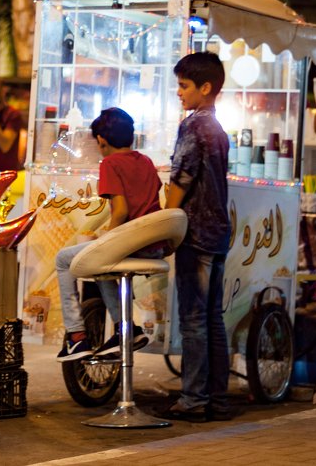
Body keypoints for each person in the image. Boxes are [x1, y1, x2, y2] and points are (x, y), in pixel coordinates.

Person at [156, 52, 231, 423]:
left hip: (196, 233)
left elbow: (180, 179)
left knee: (194, 320)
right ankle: (217, 398)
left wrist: (168, 221)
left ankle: (193, 399)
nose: (179, 93)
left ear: (206, 88)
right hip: (218, 233)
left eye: (184, 86)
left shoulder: (194, 126)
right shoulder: (217, 128)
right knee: (213, 318)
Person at [54, 107, 163, 361]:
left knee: (62, 259)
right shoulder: (145, 161)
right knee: (98, 261)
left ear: (101, 140)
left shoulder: (110, 164)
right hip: (154, 244)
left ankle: (76, 336)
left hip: (132, 243)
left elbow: (122, 211)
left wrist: (106, 239)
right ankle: (125, 328)